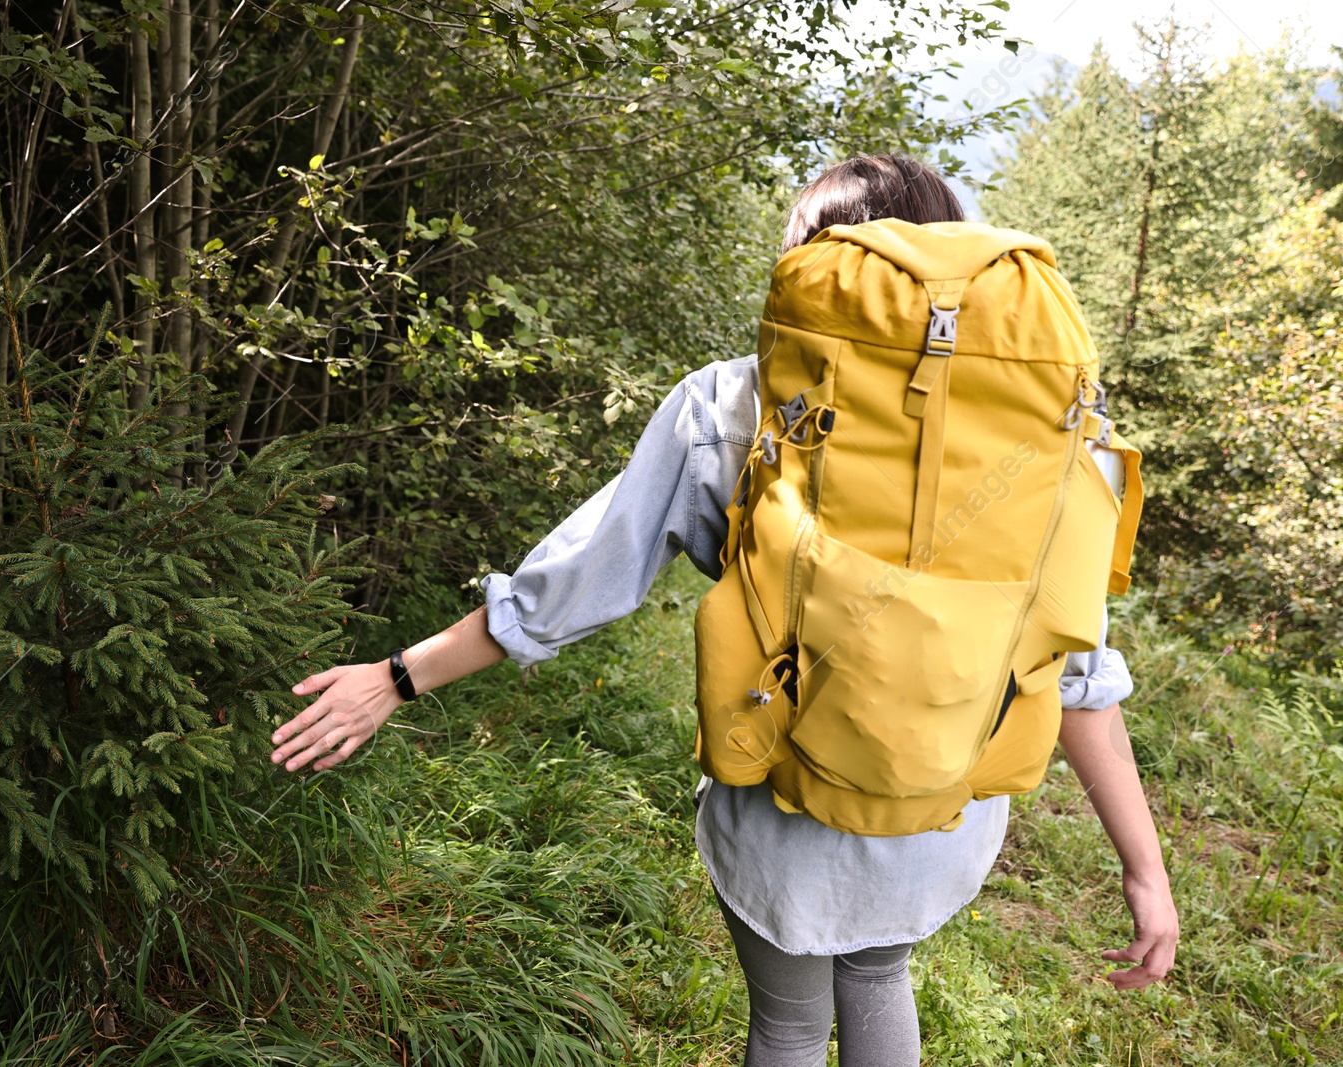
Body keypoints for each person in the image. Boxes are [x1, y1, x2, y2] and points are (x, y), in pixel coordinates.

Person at [269, 154, 1180, 1066]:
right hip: (945, 795)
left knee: (788, 1023)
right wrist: (1145, 868)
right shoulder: (1056, 425)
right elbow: (1079, 671)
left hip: (779, 786)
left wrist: (397, 677)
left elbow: (580, 581)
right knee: (877, 976)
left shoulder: (732, 401)